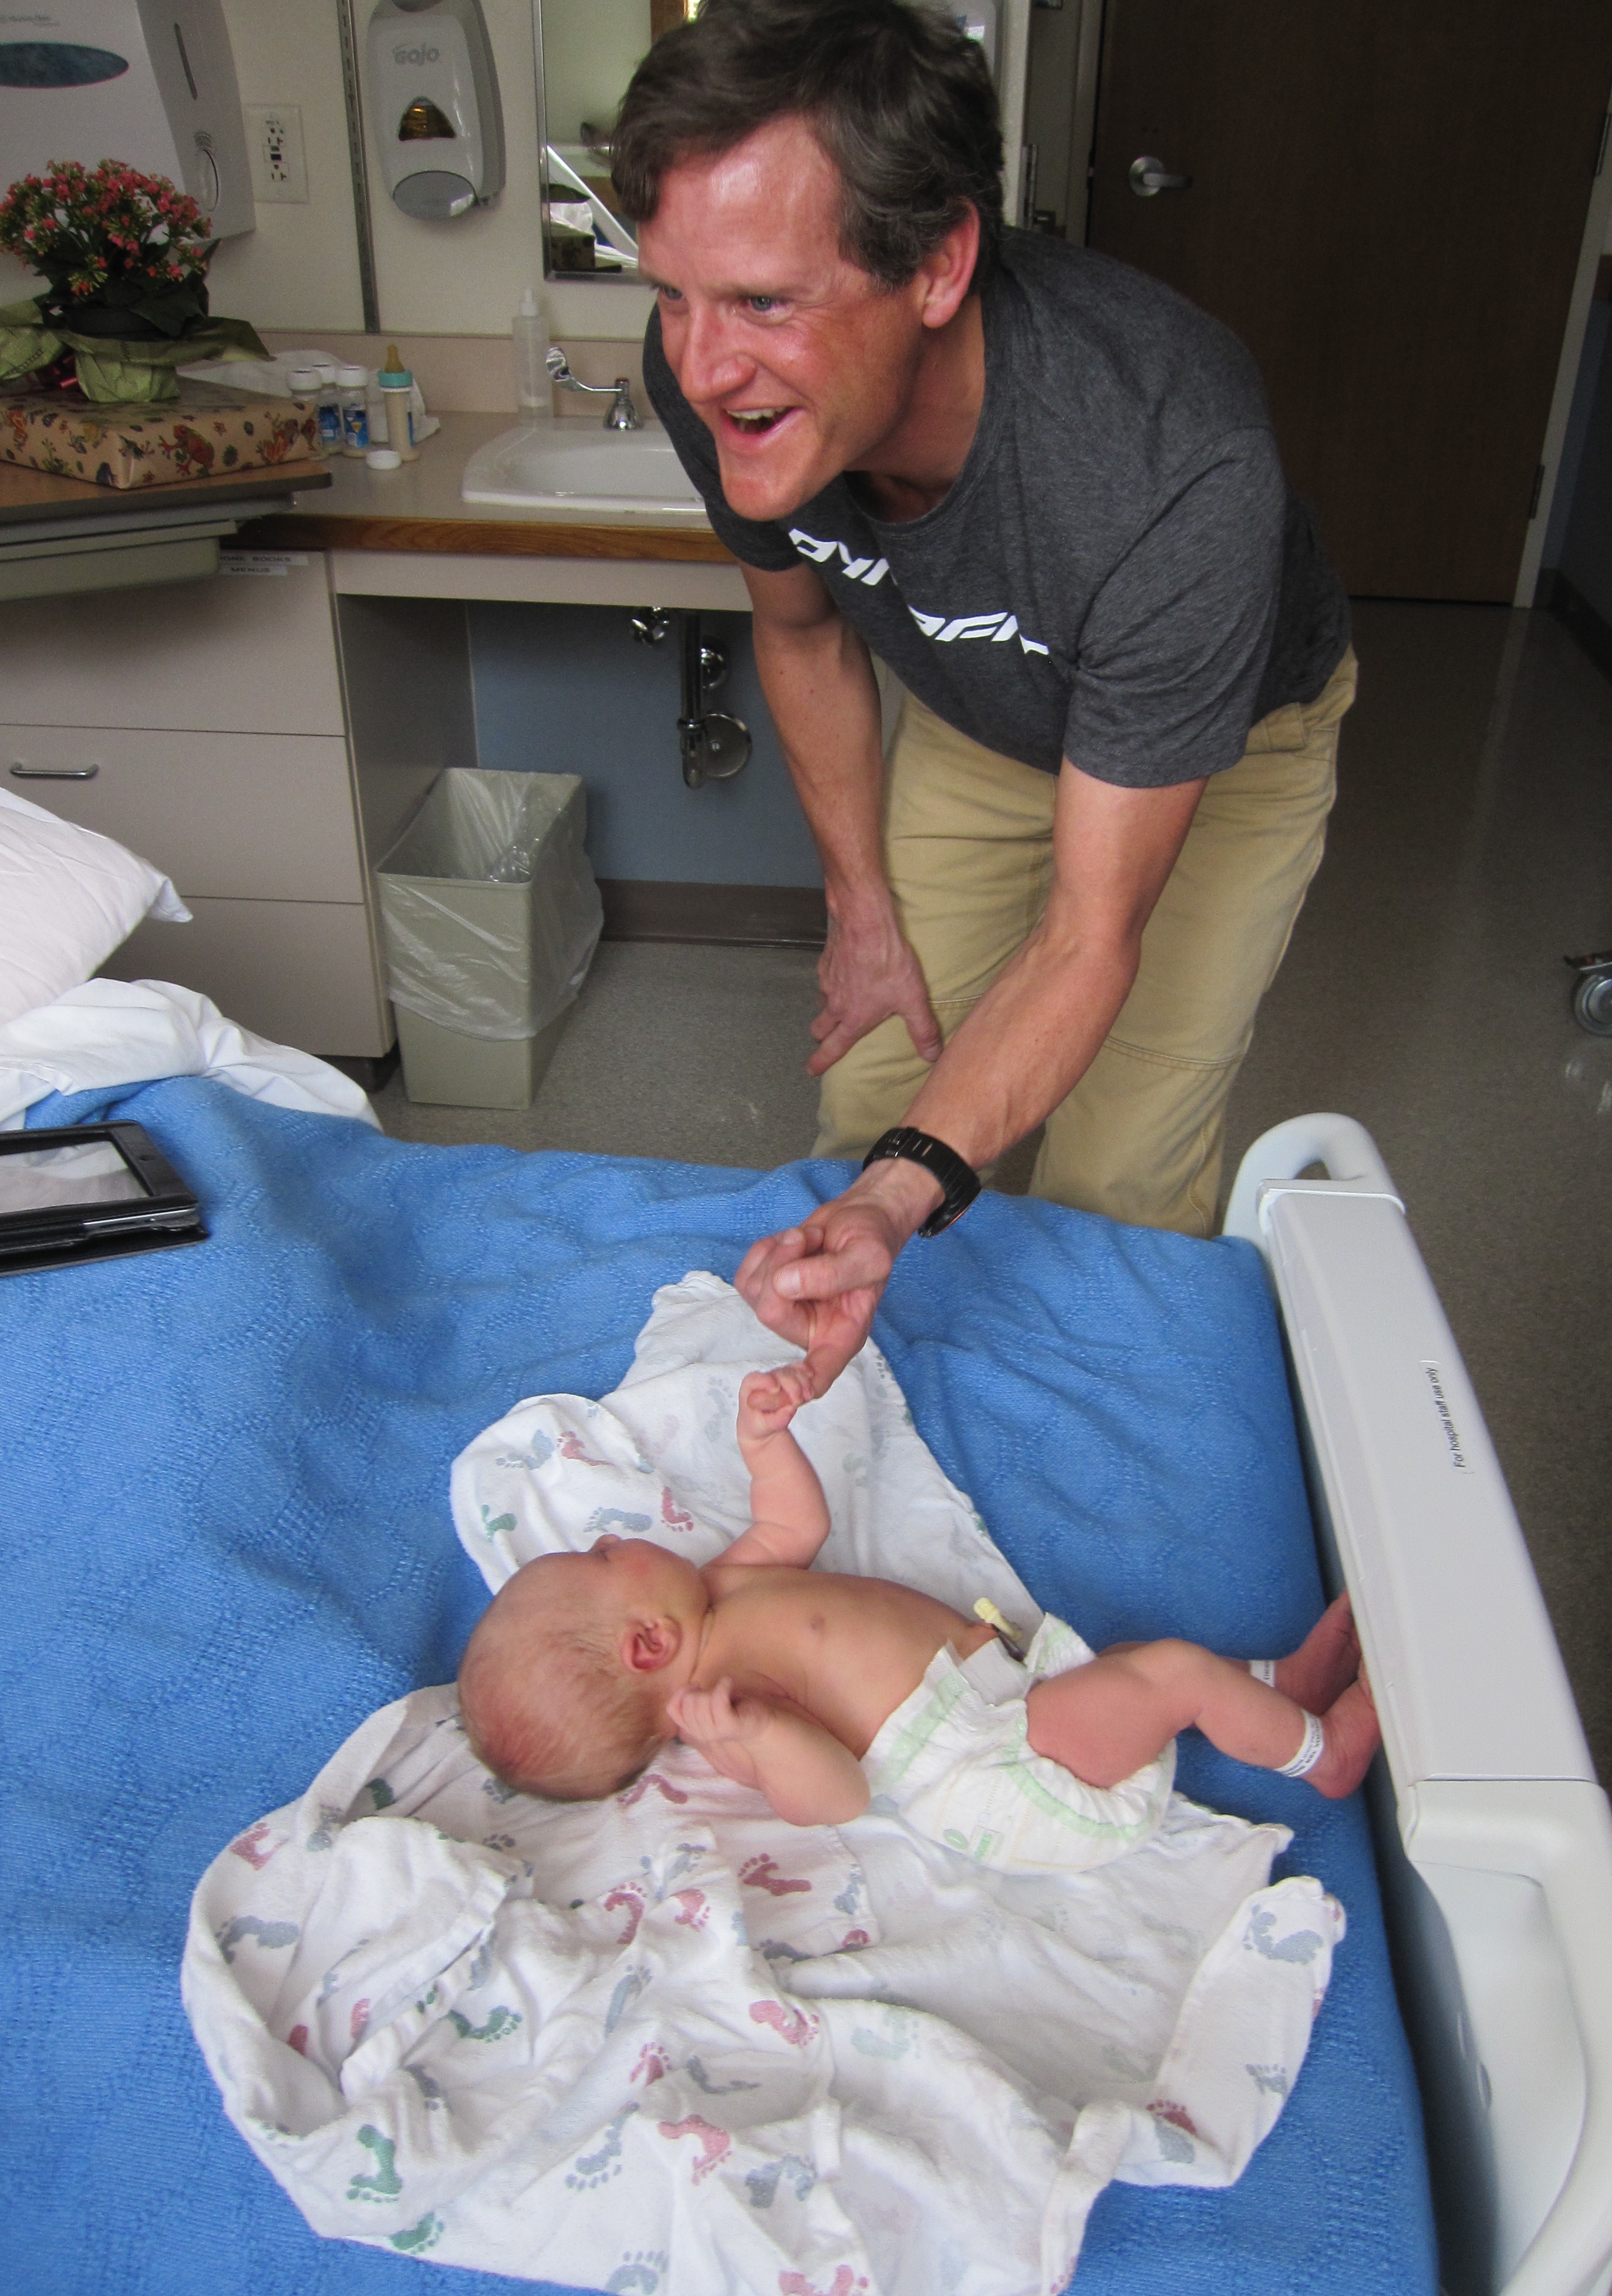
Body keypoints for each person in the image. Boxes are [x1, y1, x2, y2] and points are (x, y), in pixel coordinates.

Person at [613, 0, 1355, 1394]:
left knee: (1116, 1171)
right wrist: (861, 910)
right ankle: (850, 1424)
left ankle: (1083, 1449)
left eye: (766, 300)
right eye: (671, 292)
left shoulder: (1172, 467)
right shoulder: (720, 377)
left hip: (1222, 750)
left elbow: (1087, 935)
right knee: (872, 1097)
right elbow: (802, 631)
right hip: (979, 711)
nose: (702, 366)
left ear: (940, 263)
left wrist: (904, 1195)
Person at [458, 1368, 1380, 1869]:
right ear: (648, 1642)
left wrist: (763, 1445)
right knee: (1168, 1675)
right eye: (603, 1558)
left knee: (1138, 1665)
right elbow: (837, 1798)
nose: (612, 1539)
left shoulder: (722, 1586)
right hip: (996, 1770)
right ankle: (1324, 1757)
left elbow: (796, 1526)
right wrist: (764, 1734)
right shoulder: (725, 1708)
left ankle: (1285, 1688)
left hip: (1013, 1696)